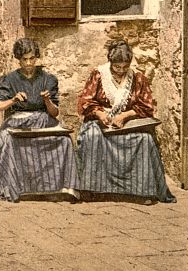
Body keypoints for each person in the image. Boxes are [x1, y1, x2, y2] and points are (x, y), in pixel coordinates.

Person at [75, 40, 175, 203]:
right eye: (117, 67)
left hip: (127, 121)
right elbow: (85, 101)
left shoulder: (137, 78)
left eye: (124, 67)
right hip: (101, 121)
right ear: (110, 62)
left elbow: (147, 106)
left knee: (145, 140)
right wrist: (100, 114)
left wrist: (125, 115)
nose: (121, 71)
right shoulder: (99, 75)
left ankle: (142, 191)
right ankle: (93, 190)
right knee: (92, 137)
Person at [0, 38, 79, 203]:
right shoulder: (9, 80)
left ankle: (59, 187)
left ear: (36, 57)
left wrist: (47, 101)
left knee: (64, 140)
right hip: (17, 122)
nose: (29, 63)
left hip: (43, 120)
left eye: (32, 58)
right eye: (25, 59)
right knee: (10, 141)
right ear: (19, 59)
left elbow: (55, 112)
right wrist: (14, 100)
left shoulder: (47, 79)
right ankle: (18, 187)